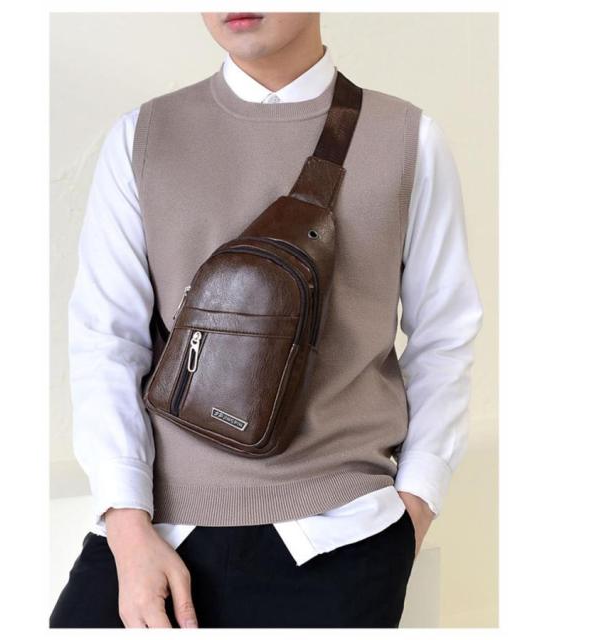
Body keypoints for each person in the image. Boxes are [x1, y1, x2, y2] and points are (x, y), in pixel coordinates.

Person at [50, 12, 484, 629]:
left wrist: (414, 508)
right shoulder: (143, 136)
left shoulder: (407, 137)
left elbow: (445, 336)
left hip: (342, 530)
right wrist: (126, 525)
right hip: (157, 532)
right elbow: (106, 338)